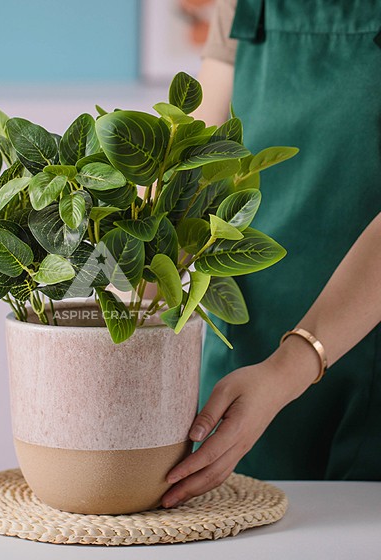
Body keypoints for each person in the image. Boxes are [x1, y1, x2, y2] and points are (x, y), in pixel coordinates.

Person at [161, 0, 381, 508]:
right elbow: (194, 159)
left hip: (358, 338)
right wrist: (113, 290)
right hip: (246, 342)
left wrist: (288, 370)